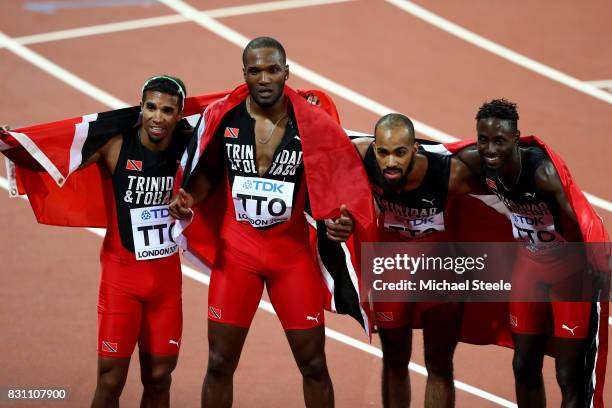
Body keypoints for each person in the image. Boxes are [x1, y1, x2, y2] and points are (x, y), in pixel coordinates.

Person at [169, 37, 372, 408]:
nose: (264, 78)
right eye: (255, 70)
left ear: (287, 73)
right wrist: (190, 198)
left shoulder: (311, 123)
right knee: (219, 363)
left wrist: (338, 223)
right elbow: (209, 171)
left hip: (290, 259)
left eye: (272, 70)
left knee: (313, 364)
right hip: (238, 256)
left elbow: (331, 186)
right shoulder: (224, 116)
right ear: (244, 73)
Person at [3, 75, 190, 408]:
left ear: (179, 114)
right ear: (141, 107)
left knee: (160, 377)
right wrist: (10, 145)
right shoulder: (116, 145)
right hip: (122, 279)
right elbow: (56, 159)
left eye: (166, 109)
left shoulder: (188, 146)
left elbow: (232, 139)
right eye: (150, 107)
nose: (157, 117)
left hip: (165, 282)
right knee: (111, 379)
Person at [457, 98, 593, 408]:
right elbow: (431, 168)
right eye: (483, 139)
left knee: (569, 375)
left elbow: (585, 226)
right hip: (529, 267)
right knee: (523, 366)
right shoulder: (476, 162)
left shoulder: (544, 174)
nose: (490, 149)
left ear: (516, 140)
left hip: (570, 276)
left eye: (500, 141)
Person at [351, 113, 474, 407]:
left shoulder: (451, 173)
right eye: (384, 152)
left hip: (441, 273)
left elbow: (507, 184)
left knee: (439, 364)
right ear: (375, 148)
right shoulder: (362, 155)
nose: (390, 162)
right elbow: (320, 142)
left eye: (400, 152)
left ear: (415, 149)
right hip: (391, 271)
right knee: (393, 359)